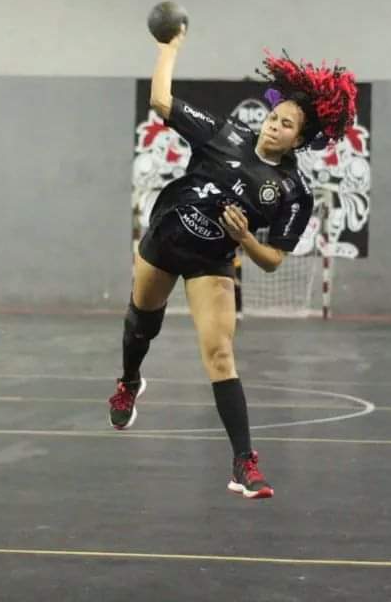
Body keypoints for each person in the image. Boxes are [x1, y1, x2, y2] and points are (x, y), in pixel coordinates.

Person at [108, 28, 357, 500]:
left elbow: (273, 261)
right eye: (274, 116)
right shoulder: (225, 134)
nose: (274, 125)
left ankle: (244, 463)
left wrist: (244, 238)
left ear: (298, 139)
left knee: (220, 355)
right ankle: (129, 382)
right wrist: (168, 49)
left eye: (286, 125)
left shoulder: (293, 193)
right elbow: (161, 101)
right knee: (141, 324)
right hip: (164, 239)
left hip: (212, 261)